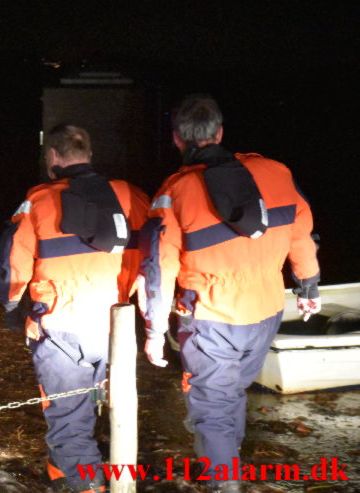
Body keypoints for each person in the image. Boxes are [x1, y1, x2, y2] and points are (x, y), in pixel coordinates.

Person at [138, 95, 320, 492]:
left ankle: (224, 482)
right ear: (220, 132)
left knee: (214, 407)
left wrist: (153, 331)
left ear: (176, 139)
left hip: (211, 315)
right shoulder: (276, 172)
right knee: (230, 393)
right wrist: (308, 287)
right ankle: (226, 463)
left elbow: (159, 267)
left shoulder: (174, 192)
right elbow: (301, 234)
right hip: (267, 308)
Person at [0, 124, 149, 493]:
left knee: (67, 413)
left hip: (61, 326)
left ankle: (88, 485)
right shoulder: (129, 194)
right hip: (116, 323)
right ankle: (64, 469)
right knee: (100, 401)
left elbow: (13, 268)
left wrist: (12, 307)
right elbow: (155, 250)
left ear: (53, 157)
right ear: (89, 155)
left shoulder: (38, 202)